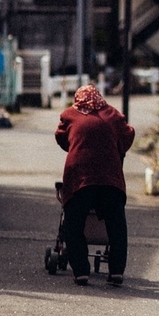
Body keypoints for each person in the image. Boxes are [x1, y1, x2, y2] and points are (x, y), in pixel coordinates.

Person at [55, 85, 135, 287]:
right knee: (117, 225)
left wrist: (76, 145)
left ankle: (81, 271)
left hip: (80, 178)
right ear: (99, 97)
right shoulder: (112, 114)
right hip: (110, 178)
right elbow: (128, 134)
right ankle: (116, 271)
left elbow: (61, 137)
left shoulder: (69, 115)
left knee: (73, 223)